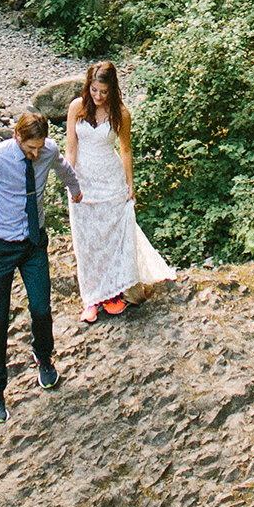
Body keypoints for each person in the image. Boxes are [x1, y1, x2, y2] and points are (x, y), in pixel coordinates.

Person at [0, 111, 82, 425]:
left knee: (41, 307)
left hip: (33, 243)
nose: (36, 153)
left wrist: (75, 189)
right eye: (31, 148)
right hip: (0, 247)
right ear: (17, 137)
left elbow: (63, 167)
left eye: (40, 147)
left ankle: (43, 357)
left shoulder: (48, 151)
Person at [65, 59, 174, 323]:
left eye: (103, 92)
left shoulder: (121, 113)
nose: (98, 96)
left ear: (112, 90)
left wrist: (130, 185)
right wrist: (71, 181)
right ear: (87, 87)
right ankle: (91, 298)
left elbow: (125, 149)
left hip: (111, 182)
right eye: (94, 90)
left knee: (112, 238)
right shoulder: (77, 108)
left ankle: (115, 293)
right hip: (84, 182)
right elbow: (71, 148)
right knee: (88, 241)